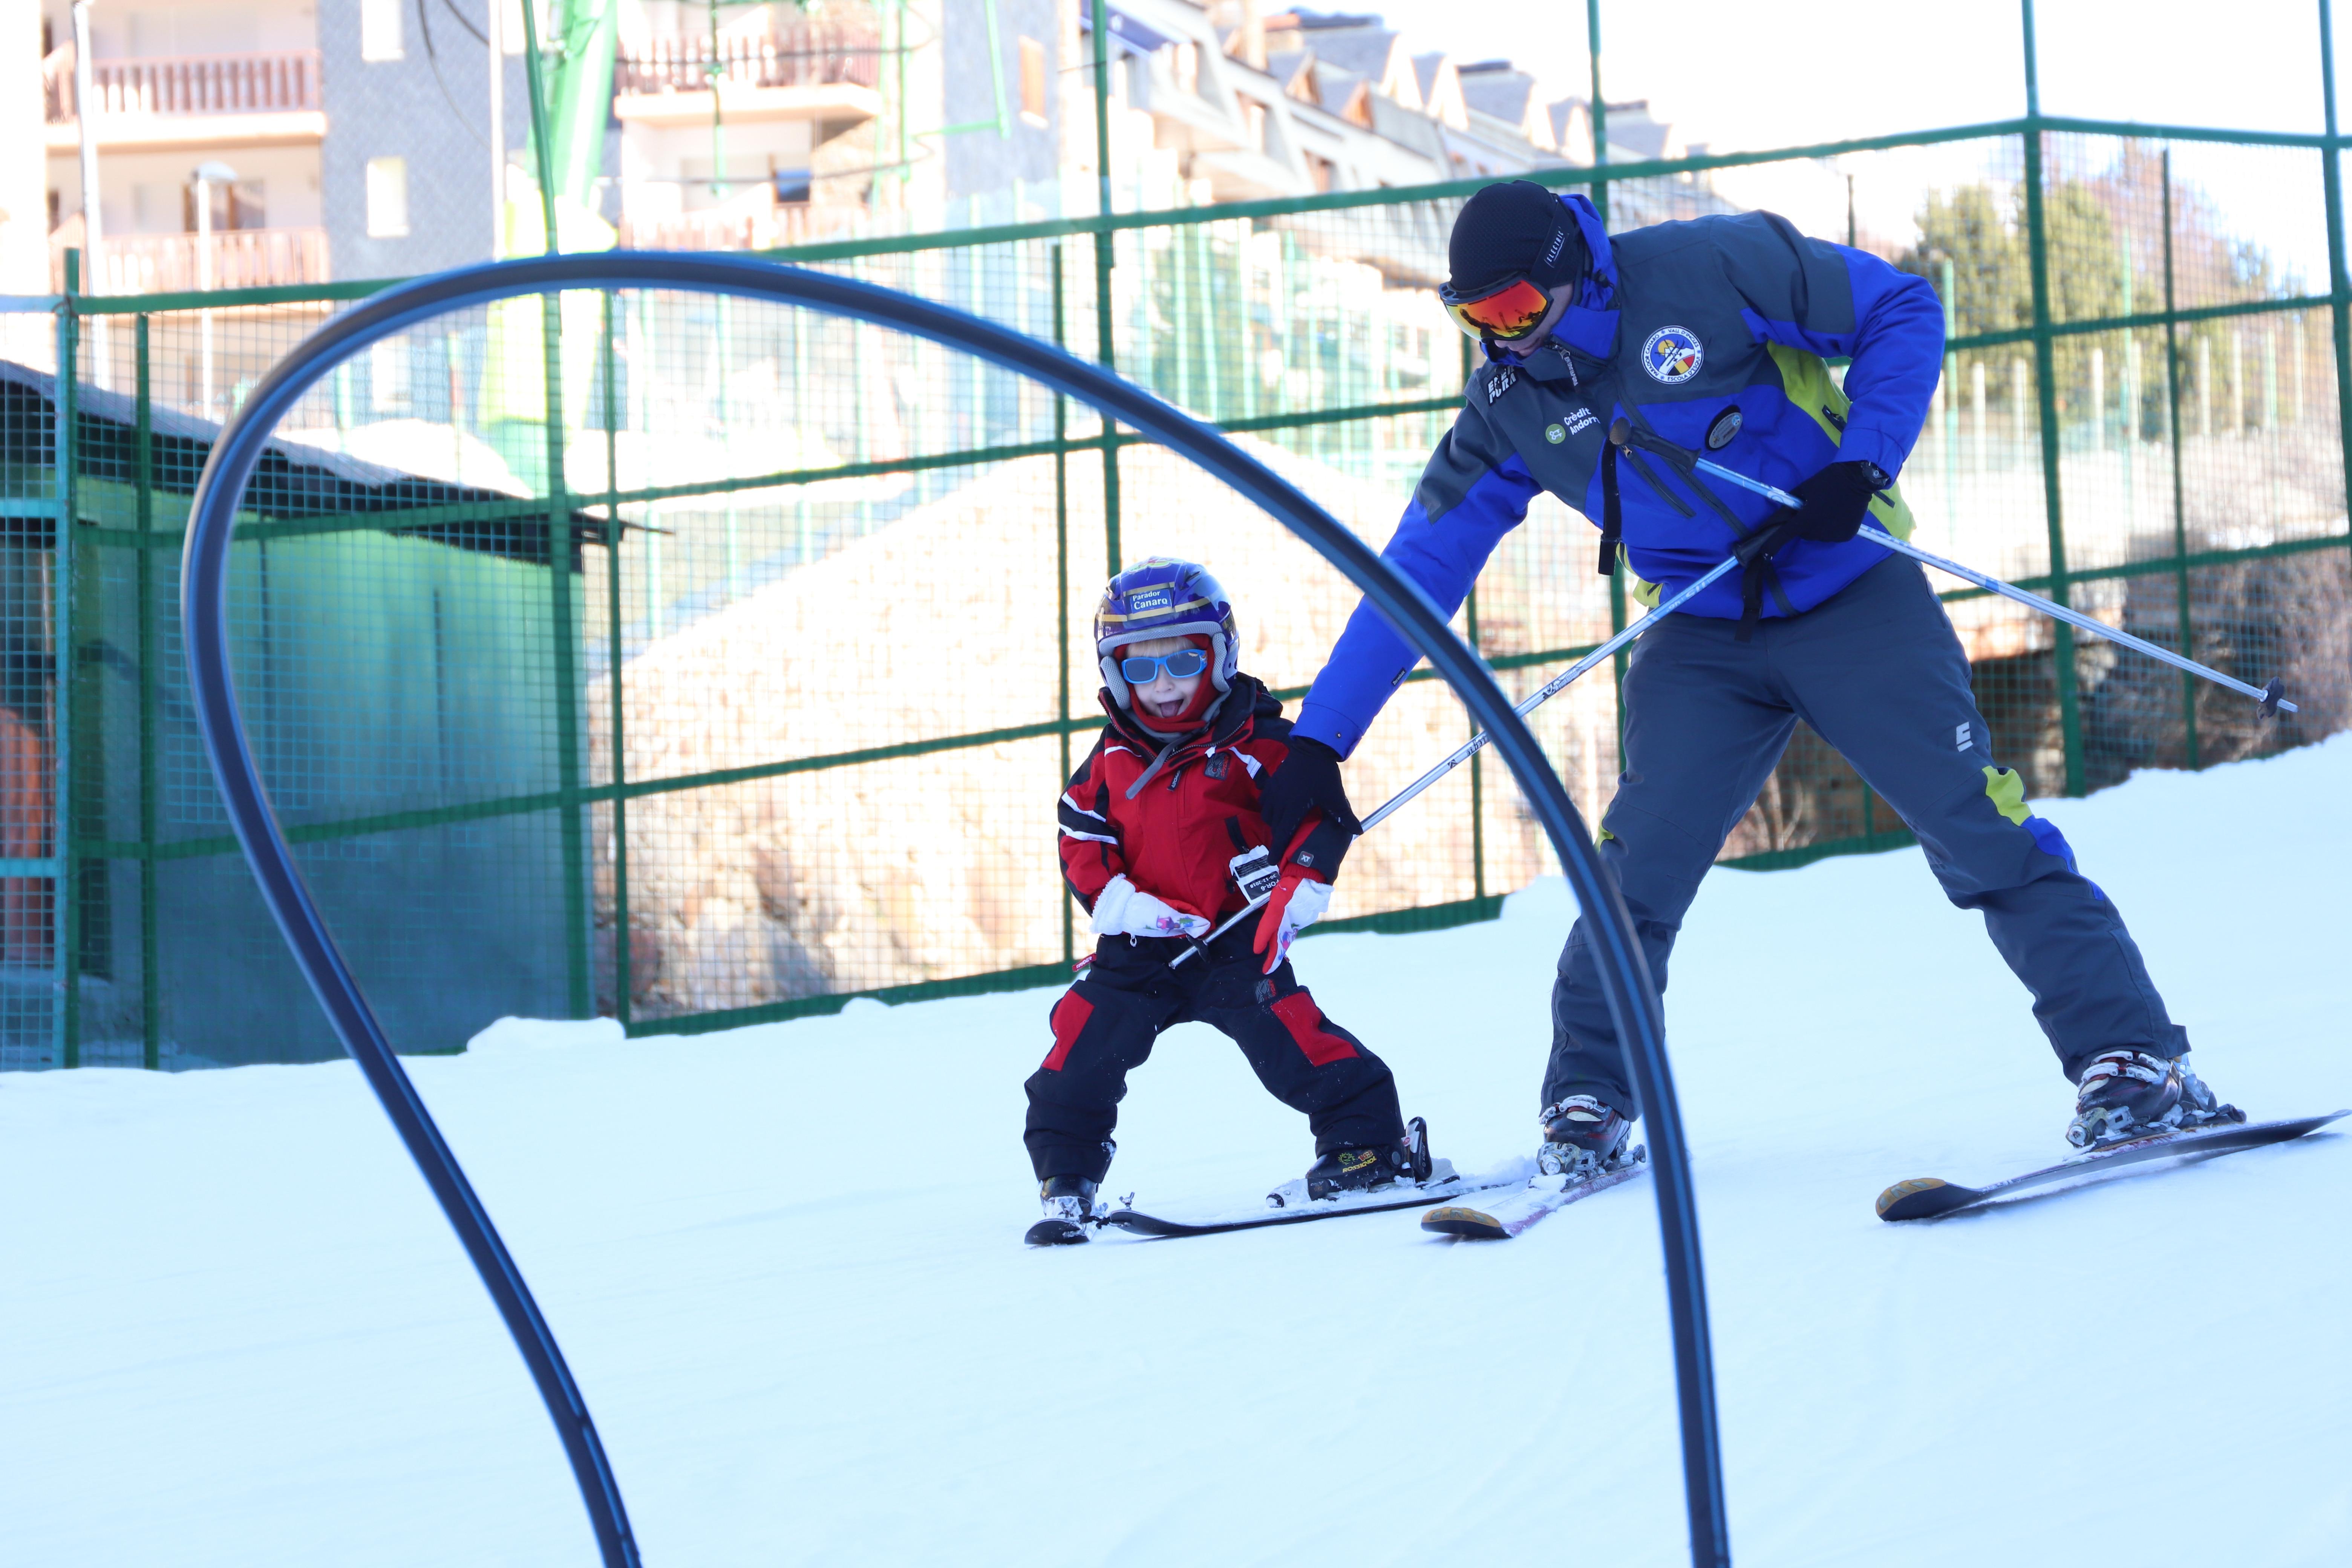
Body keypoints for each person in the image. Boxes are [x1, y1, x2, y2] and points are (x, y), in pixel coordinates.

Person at [1257, 180, 2239, 1178]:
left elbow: (1903, 306)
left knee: (1973, 823)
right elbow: (1418, 567)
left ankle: (2135, 1060)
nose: (1500, 339)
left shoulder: (1712, 265)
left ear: (1569, 273)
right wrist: (1320, 741)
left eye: (1513, 309)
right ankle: (1591, 1097)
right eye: (1475, 317)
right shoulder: (1511, 405)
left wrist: (1862, 463)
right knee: (1633, 872)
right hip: (1703, 628)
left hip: (1848, 588)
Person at [1025, 557, 1430, 1244]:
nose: (1162, 687)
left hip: (1237, 943)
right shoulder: (1108, 767)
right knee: (1079, 1051)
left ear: (1220, 655)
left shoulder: (1265, 749)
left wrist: (1299, 889)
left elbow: (1314, 822)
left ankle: (1369, 1144)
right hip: (1141, 951)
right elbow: (1080, 838)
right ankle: (1067, 1175)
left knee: (1297, 1045)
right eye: (1139, 670)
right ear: (1114, 675)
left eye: (1183, 662)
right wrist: (1123, 904)